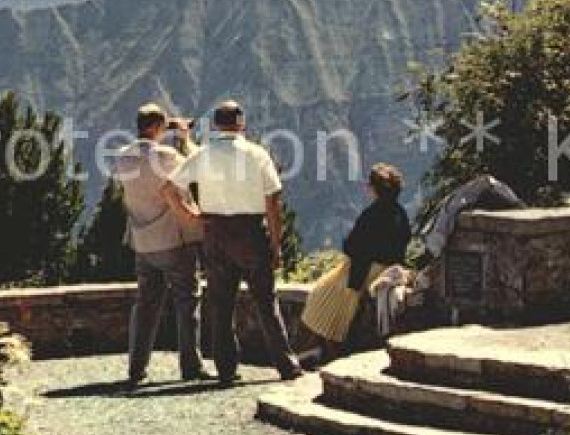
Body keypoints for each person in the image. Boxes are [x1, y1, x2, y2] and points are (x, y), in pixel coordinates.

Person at [168, 100, 304, 383]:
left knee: (220, 303)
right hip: (250, 231)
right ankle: (286, 365)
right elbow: (273, 201)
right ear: (241, 124)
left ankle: (226, 369)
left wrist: (191, 215)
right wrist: (276, 244)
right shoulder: (257, 154)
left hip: (215, 231)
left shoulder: (203, 154)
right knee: (265, 301)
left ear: (216, 125)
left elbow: (170, 188)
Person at [115, 103, 207, 386]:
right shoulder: (167, 155)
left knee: (145, 305)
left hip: (143, 242)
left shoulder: (122, 156)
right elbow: (195, 171)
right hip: (172, 239)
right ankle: (191, 365)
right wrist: (183, 137)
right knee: (186, 303)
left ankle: (136, 368)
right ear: (157, 127)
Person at [301, 163, 411, 356]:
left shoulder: (372, 214)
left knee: (323, 293)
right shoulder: (400, 213)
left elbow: (354, 246)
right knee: (330, 289)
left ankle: (330, 346)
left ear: (374, 188)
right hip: (386, 267)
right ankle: (320, 347)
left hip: (366, 269)